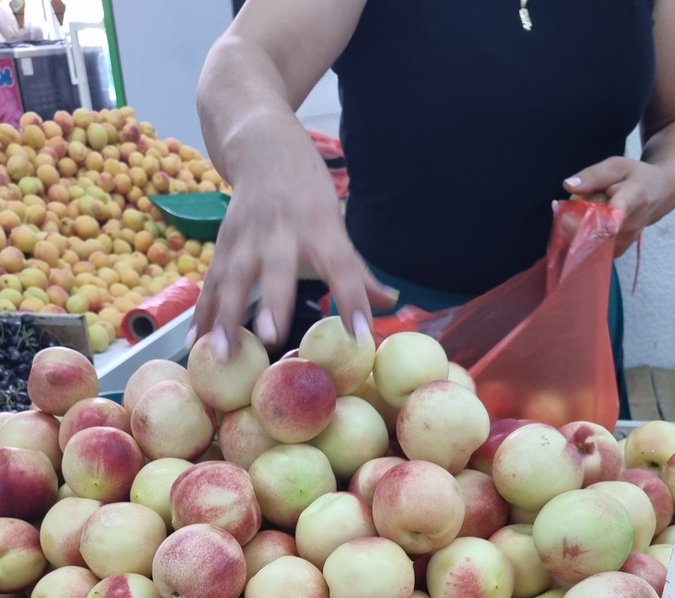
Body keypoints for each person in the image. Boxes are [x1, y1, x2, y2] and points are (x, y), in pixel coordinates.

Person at [190, 0, 675, 413]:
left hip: (569, 321)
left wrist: (659, 180)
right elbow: (246, 54)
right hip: (388, 331)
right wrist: (259, 130)